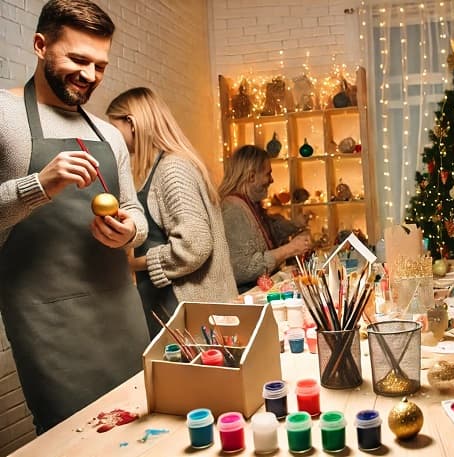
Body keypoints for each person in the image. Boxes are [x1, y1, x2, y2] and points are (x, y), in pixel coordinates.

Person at [0, 0, 149, 432]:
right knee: (75, 434)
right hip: (44, 319)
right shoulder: (5, 117)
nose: (90, 75)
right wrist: (39, 186)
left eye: (100, 66)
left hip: (119, 307)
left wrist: (128, 234)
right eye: (78, 59)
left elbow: (135, 211)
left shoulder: (107, 134)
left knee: (142, 424)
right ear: (40, 45)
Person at [106, 87, 238, 338]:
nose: (113, 138)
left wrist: (135, 264)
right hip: (182, 310)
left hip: (188, 313)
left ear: (131, 123)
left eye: (114, 128)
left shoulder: (172, 170)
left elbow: (195, 245)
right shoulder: (168, 166)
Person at [219, 144, 312, 292]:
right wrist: (289, 249)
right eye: (268, 174)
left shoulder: (249, 204)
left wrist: (295, 225)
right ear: (251, 176)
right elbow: (242, 269)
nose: (272, 180)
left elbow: (269, 233)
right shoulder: (233, 209)